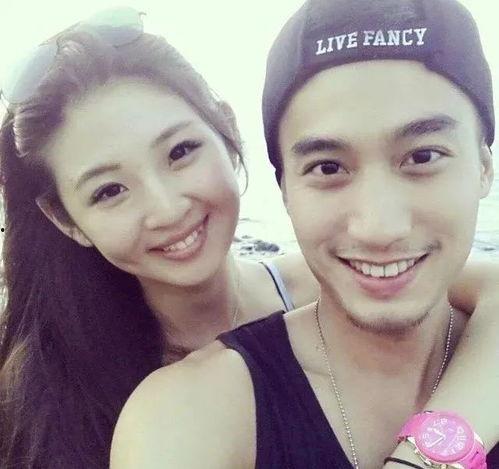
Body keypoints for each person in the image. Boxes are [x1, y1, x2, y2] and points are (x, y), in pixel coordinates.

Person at [0, 5, 496, 469]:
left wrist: (437, 447)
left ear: (227, 132)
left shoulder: (339, 280)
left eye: (180, 152)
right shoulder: (64, 392)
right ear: (65, 219)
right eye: (110, 190)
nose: (167, 209)